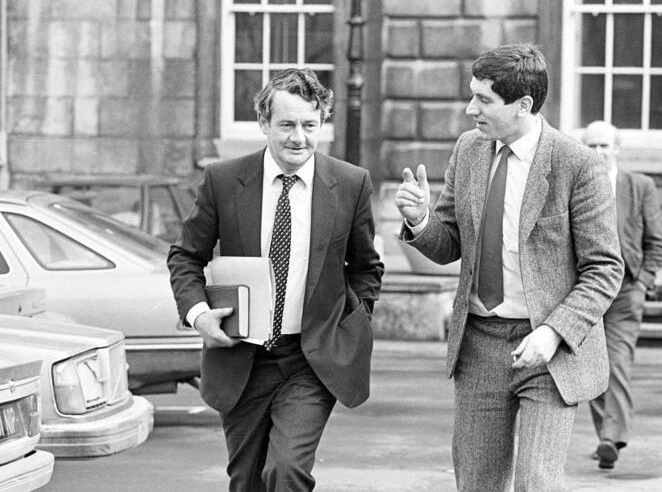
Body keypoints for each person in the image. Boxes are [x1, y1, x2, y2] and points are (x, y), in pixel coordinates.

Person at [394, 43, 624, 491]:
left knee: (537, 483)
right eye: (472, 95)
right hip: (479, 343)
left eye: (483, 99)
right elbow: (449, 245)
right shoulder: (469, 150)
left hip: (550, 350)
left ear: (523, 105)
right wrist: (420, 218)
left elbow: (604, 269)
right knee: (477, 483)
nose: (469, 108)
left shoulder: (578, 165)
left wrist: (553, 332)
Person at [167, 68, 384, 492]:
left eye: (309, 124)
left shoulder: (351, 183)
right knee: (246, 480)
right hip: (241, 356)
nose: (298, 137)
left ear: (322, 122)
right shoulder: (224, 180)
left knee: (286, 473)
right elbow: (185, 257)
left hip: (310, 359)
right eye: (286, 125)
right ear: (265, 124)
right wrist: (199, 316)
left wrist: (351, 324)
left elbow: (365, 267)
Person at [582, 120, 662, 470]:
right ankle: (608, 434)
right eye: (592, 146)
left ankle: (609, 438)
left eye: (605, 146)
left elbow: (655, 243)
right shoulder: (577, 185)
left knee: (616, 361)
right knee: (592, 366)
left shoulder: (640, 186)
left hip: (626, 289)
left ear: (617, 148)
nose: (599, 152)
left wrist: (643, 283)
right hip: (586, 290)